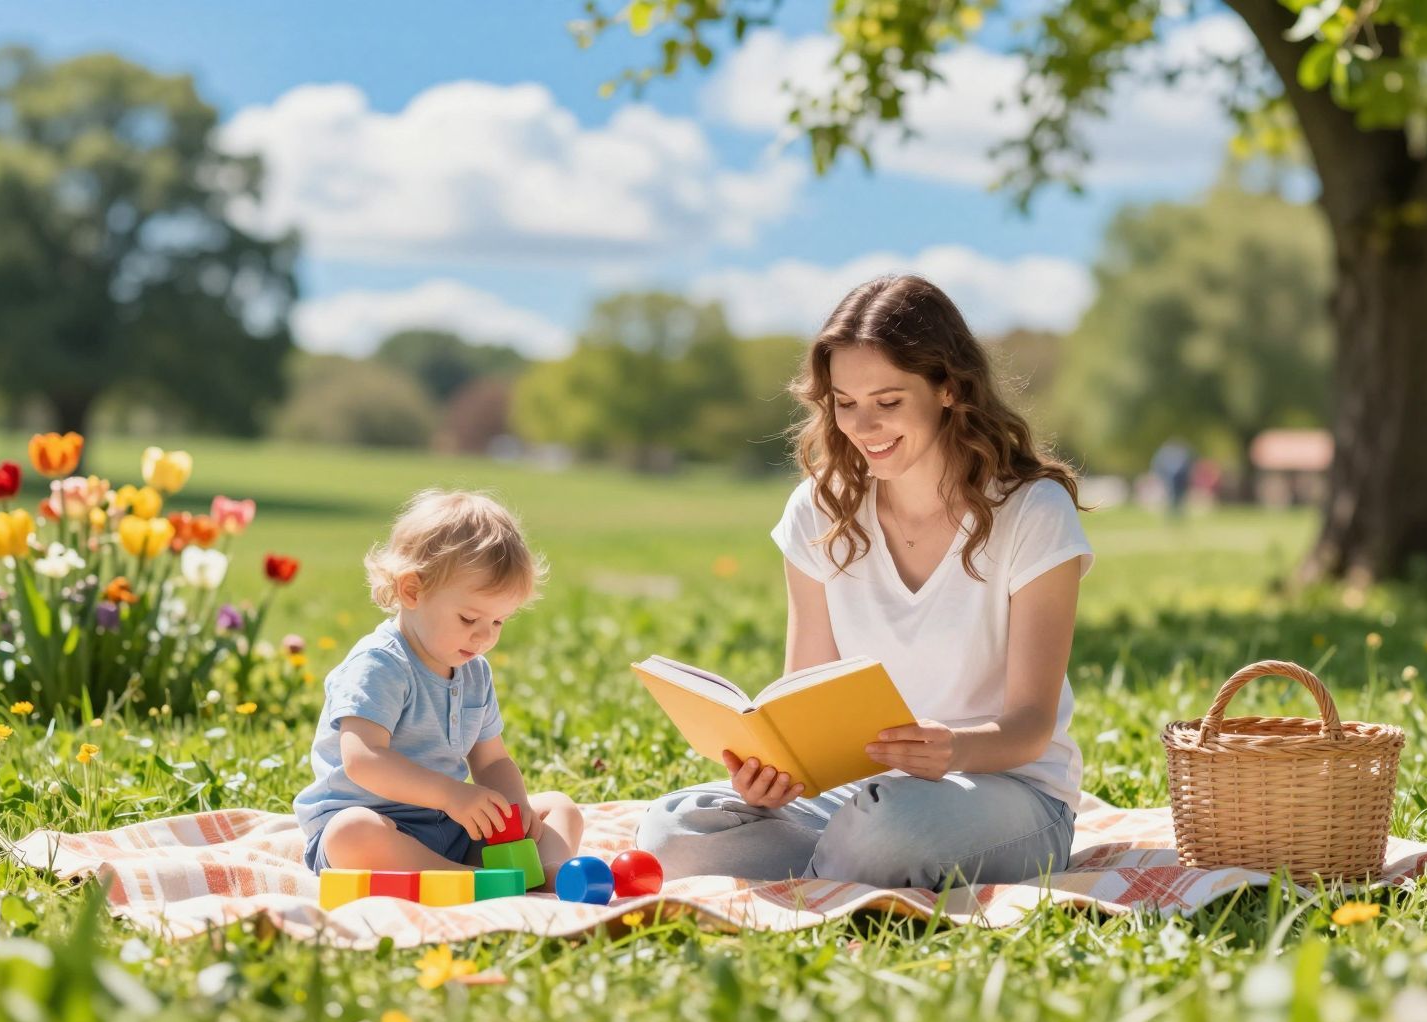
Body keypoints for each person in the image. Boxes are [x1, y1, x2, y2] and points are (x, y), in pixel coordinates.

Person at [637, 275, 1094, 891]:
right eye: (845, 403)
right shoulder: (819, 510)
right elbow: (803, 694)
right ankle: (843, 870)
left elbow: (1031, 725)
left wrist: (953, 749)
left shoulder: (1033, 511)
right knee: (673, 831)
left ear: (950, 388)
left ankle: (824, 876)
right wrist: (775, 771)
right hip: (860, 796)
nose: (864, 425)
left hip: (1006, 792)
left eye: (888, 401)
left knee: (889, 829)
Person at [293, 489, 583, 888]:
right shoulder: (380, 664)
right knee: (352, 832)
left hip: (450, 829)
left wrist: (514, 810)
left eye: (498, 622)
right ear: (413, 591)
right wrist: (451, 795)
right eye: (469, 619)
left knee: (560, 808)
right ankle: (470, 882)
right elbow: (363, 759)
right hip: (380, 829)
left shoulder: (473, 672)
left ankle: (542, 878)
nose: (484, 637)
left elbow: (492, 762)